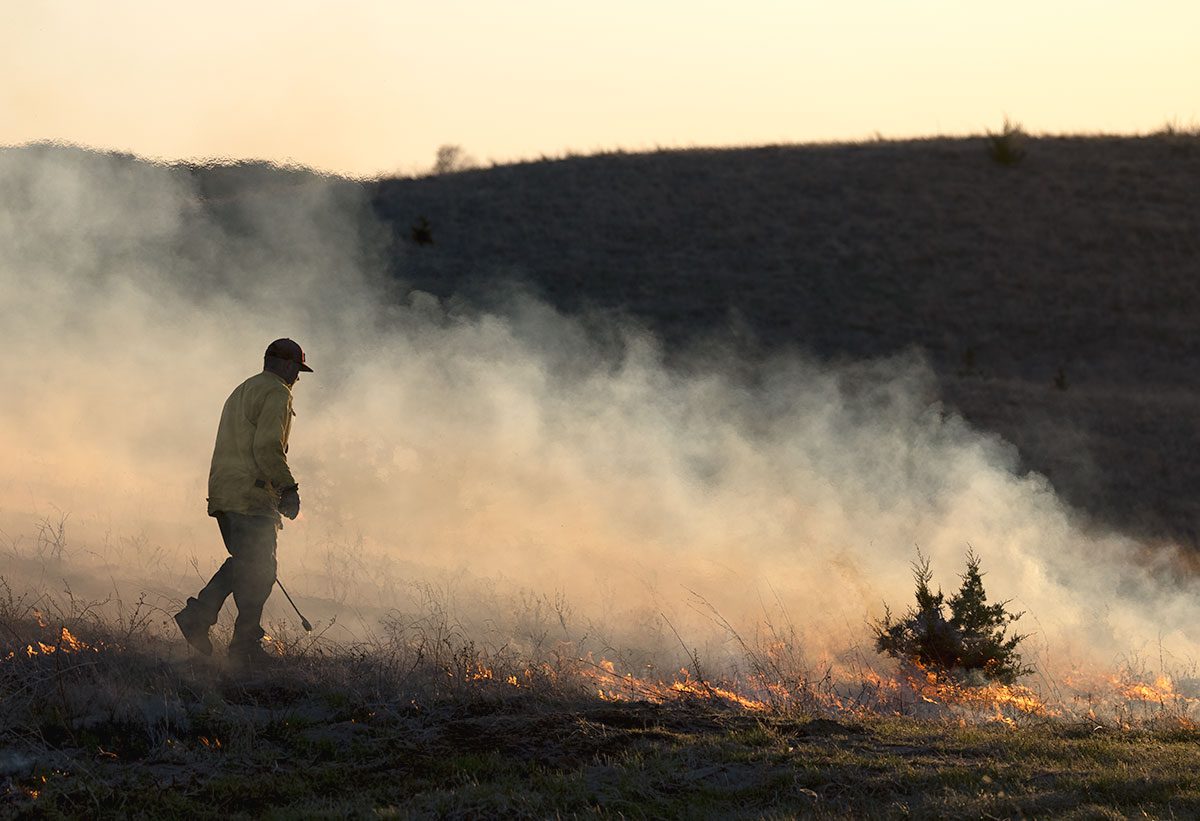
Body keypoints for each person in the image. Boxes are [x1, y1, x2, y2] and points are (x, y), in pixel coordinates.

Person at [174, 338, 312, 666]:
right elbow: (267, 446)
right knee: (260, 567)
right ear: (286, 365)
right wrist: (287, 488)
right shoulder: (277, 392)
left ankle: (206, 620)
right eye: (297, 369)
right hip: (251, 494)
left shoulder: (243, 389)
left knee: (248, 564)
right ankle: (241, 644)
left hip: (226, 491)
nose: (298, 377)